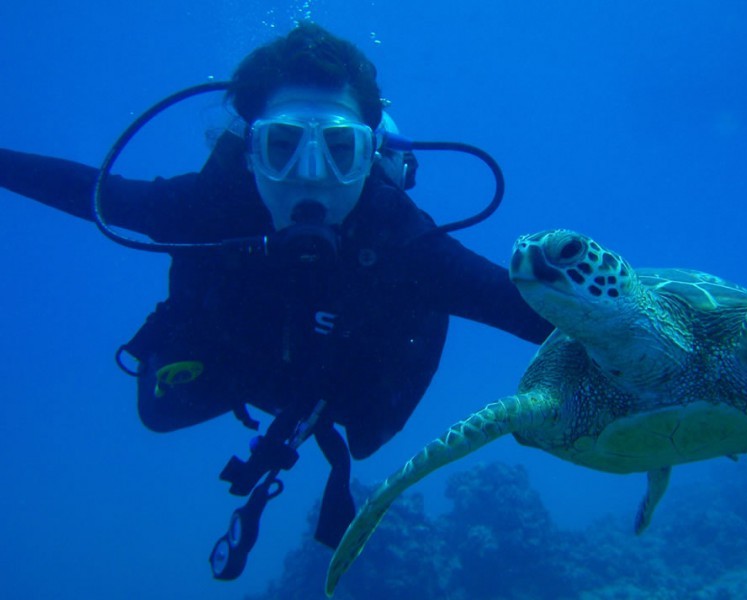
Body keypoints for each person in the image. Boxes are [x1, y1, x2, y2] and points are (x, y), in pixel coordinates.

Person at [0, 23, 552, 573]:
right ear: (249, 153)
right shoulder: (209, 206)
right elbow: (90, 192)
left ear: (368, 156)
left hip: (349, 385)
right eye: (281, 147)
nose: (310, 177)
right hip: (244, 359)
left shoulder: (399, 236)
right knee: (161, 410)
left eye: (340, 149)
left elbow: (527, 309)